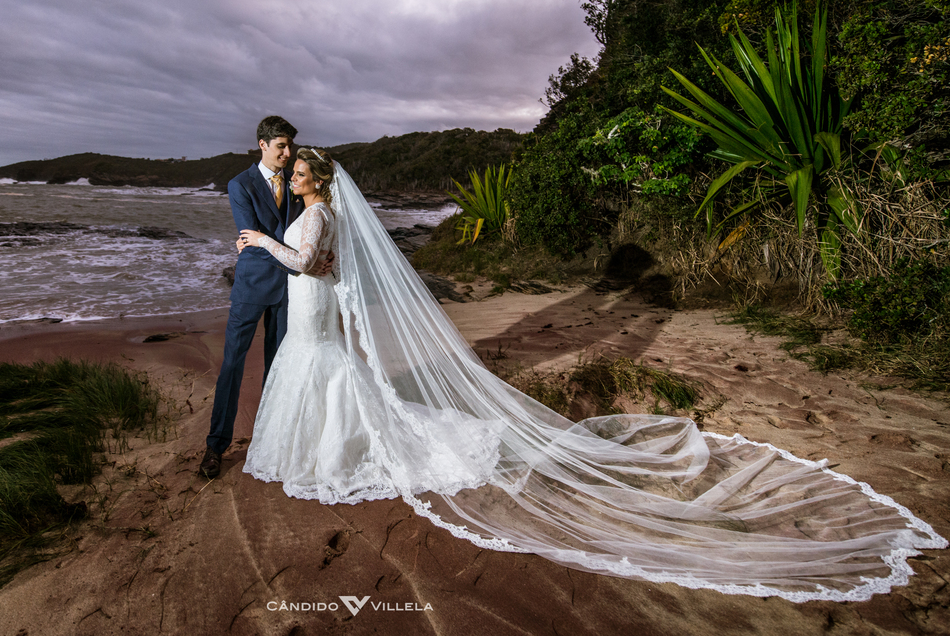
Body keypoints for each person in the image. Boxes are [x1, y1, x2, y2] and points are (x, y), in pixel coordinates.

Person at [237, 152, 946, 602]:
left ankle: (344, 447)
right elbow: (321, 265)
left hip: (314, 304)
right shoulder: (315, 214)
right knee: (319, 365)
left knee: (325, 367)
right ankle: (326, 444)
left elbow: (306, 261)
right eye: (290, 172)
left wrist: (261, 241)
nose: (291, 177)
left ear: (318, 181)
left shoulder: (319, 213)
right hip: (315, 303)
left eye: (298, 173)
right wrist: (288, 245)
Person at [200, 116, 301, 481]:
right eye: (281, 147)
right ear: (262, 144)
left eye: (289, 147)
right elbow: (250, 237)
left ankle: (270, 440)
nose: (288, 154)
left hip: (292, 288)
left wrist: (272, 245)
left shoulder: (296, 182)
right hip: (251, 285)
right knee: (232, 365)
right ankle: (216, 445)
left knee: (279, 366)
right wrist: (277, 247)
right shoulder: (239, 184)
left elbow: (287, 234)